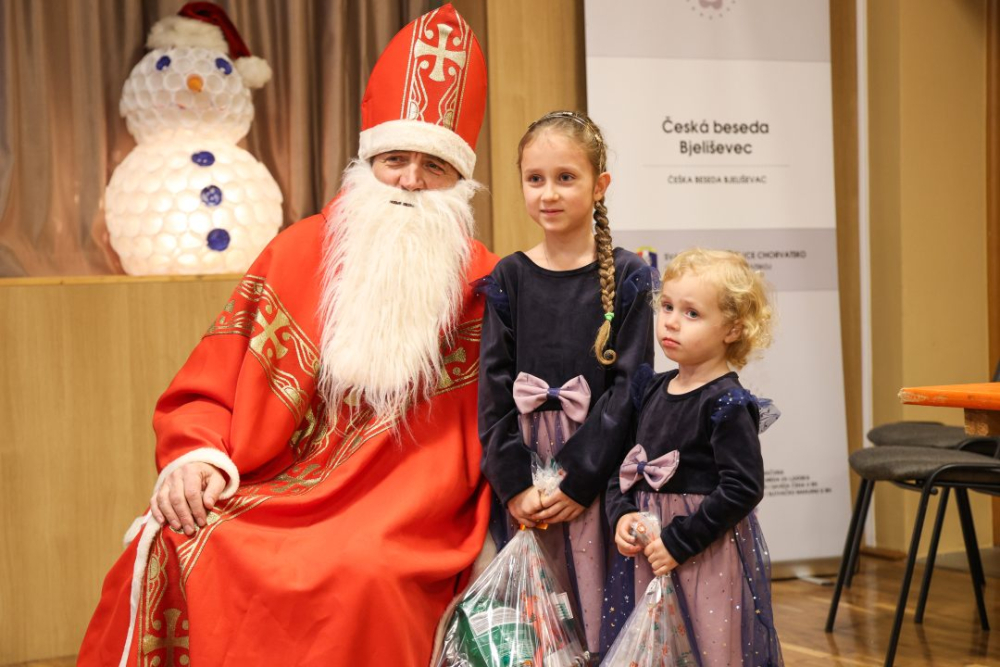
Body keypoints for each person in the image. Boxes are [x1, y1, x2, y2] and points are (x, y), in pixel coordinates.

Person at [78, 5, 496, 666]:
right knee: (187, 539)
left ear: (459, 181)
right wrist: (195, 457)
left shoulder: (488, 286)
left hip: (407, 517)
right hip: (276, 486)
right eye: (395, 159)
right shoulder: (298, 250)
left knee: (364, 575)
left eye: (433, 165)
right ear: (366, 163)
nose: (411, 180)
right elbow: (210, 378)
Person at [477, 110, 656, 657]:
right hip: (526, 474)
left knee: (595, 608)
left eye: (566, 177)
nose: (548, 193)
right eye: (535, 179)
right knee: (535, 619)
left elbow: (629, 387)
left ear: (600, 186)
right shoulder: (509, 274)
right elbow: (492, 387)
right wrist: (515, 486)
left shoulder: (630, 275)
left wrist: (577, 481)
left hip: (596, 475)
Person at [606, 248, 784, 666]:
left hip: (704, 553)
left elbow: (743, 487)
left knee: (708, 645)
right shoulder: (651, 388)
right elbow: (627, 466)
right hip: (651, 550)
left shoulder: (727, 402)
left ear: (733, 329)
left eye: (691, 314)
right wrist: (622, 513)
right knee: (658, 647)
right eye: (667, 306)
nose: (670, 321)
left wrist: (680, 540)